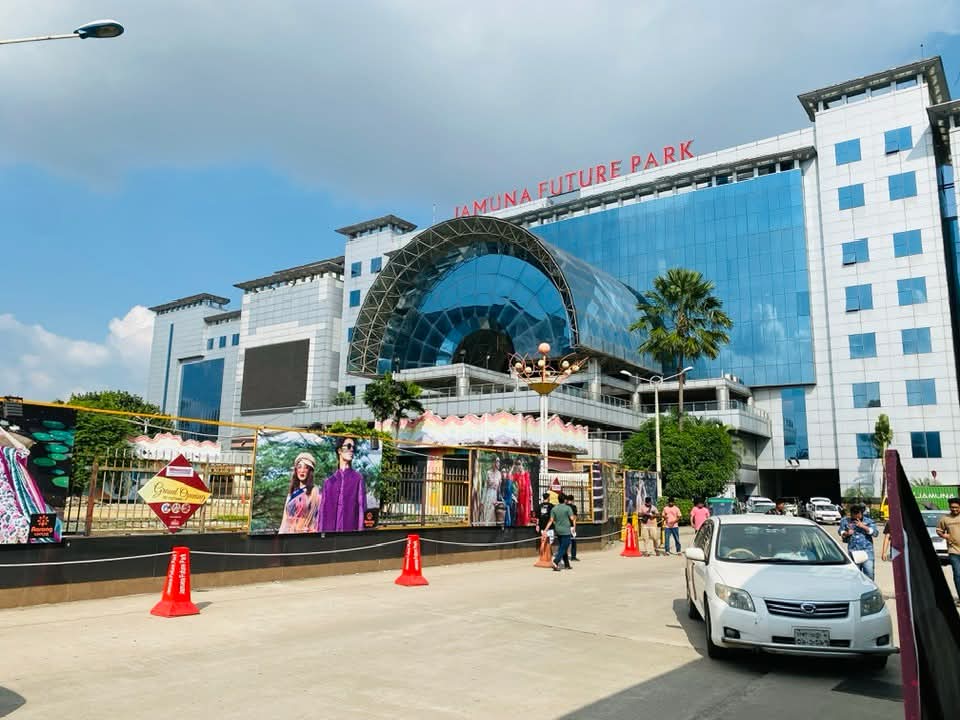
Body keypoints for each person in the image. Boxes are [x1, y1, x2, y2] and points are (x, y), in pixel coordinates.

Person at [317, 437, 367, 532]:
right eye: (348, 446)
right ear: (339, 450)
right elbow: (322, 512)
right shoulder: (329, 482)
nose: (351, 449)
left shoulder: (357, 478)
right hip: (329, 534)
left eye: (353, 447)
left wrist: (360, 533)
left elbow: (361, 509)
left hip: (349, 534)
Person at [279, 452, 321, 534]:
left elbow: (317, 518)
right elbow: (284, 520)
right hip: (289, 535)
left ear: (310, 471)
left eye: (306, 468)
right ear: (296, 470)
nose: (302, 471)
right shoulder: (291, 494)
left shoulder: (315, 493)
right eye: (299, 467)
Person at [839, 504, 879, 580]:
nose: (856, 517)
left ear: (861, 513)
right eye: (854, 515)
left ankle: (869, 589)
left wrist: (863, 526)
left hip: (867, 552)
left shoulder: (869, 521)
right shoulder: (845, 521)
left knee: (869, 574)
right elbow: (841, 532)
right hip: (853, 552)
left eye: (858, 515)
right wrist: (847, 533)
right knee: (855, 575)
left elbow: (875, 533)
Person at [936, 497, 960, 605]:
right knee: (957, 574)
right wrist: (944, 535)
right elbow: (939, 530)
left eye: (956, 507)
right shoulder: (945, 518)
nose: (954, 509)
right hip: (953, 550)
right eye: (952, 507)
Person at [543, 492, 576, 571]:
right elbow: (572, 518)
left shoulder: (554, 508)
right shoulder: (568, 508)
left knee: (562, 546)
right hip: (566, 530)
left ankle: (567, 564)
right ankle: (556, 561)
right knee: (565, 546)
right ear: (565, 500)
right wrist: (574, 519)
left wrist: (545, 530)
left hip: (557, 530)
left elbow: (551, 520)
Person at [478, 456, 502, 525]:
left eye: (499, 462)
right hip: (488, 496)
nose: (498, 463)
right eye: (497, 461)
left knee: (492, 517)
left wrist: (498, 499)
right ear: (493, 463)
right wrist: (482, 501)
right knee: (486, 516)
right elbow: (485, 487)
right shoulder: (488, 473)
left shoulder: (499, 474)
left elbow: (499, 489)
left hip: (494, 497)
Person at [564, 494, 580, 562]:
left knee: (565, 542)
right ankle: (573, 556)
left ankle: (565, 556)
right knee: (573, 541)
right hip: (571, 526)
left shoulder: (565, 507)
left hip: (564, 526)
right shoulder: (574, 507)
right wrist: (574, 527)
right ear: (573, 500)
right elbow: (574, 518)